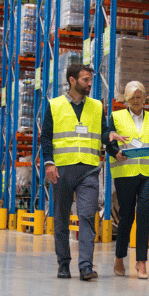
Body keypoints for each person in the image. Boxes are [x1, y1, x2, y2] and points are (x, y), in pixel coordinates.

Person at [42, 63, 118, 280]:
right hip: (62, 169)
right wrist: (49, 163)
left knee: (86, 216)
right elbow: (46, 137)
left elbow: (103, 133)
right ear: (72, 80)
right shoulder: (54, 105)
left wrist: (109, 136)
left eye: (90, 79)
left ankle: (86, 265)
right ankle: (63, 264)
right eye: (85, 79)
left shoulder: (96, 106)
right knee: (61, 219)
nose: (90, 83)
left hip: (89, 169)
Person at [109, 80, 149, 280]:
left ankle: (141, 262)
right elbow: (110, 144)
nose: (137, 99)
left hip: (148, 173)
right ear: (126, 98)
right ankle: (119, 256)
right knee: (127, 216)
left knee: (144, 214)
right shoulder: (116, 117)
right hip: (125, 173)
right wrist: (116, 154)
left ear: (145, 98)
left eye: (140, 95)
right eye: (133, 96)